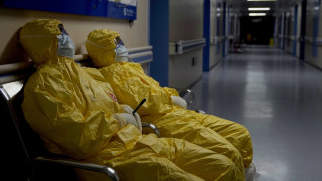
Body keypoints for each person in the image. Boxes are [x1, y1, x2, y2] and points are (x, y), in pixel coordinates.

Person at [20, 19, 243, 181]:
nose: (66, 39)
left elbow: (115, 103)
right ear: (44, 43)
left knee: (224, 165)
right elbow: (77, 136)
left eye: (65, 33)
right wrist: (118, 120)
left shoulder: (89, 74)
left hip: (137, 142)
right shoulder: (41, 87)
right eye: (60, 35)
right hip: (105, 160)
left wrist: (123, 111)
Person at [85, 29, 253, 171]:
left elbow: (154, 89)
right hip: (163, 121)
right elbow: (145, 102)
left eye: (120, 42)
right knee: (229, 154)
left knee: (239, 133)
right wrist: (169, 98)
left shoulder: (130, 67)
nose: (122, 46)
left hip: (176, 114)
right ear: (104, 51)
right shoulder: (111, 75)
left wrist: (171, 96)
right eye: (116, 44)